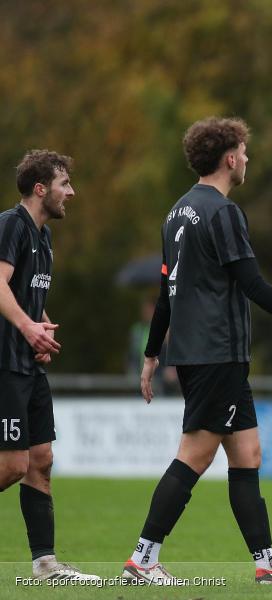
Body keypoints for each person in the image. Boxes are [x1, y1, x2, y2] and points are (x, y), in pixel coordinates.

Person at [122, 117, 272, 585]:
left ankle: (266, 565)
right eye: (244, 152)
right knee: (196, 455)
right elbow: (252, 284)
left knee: (247, 454)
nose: (247, 159)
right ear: (230, 158)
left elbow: (168, 291)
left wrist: (151, 355)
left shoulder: (177, 212)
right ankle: (142, 560)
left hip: (198, 353)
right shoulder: (224, 213)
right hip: (216, 354)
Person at [0, 150, 99, 582]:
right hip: (4, 363)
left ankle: (45, 565)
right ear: (40, 189)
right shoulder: (11, 225)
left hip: (28, 363)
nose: (71, 192)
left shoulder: (44, 238)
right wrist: (26, 327)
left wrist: (39, 326)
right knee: (12, 466)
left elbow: (23, 296)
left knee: (41, 459)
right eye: (64, 184)